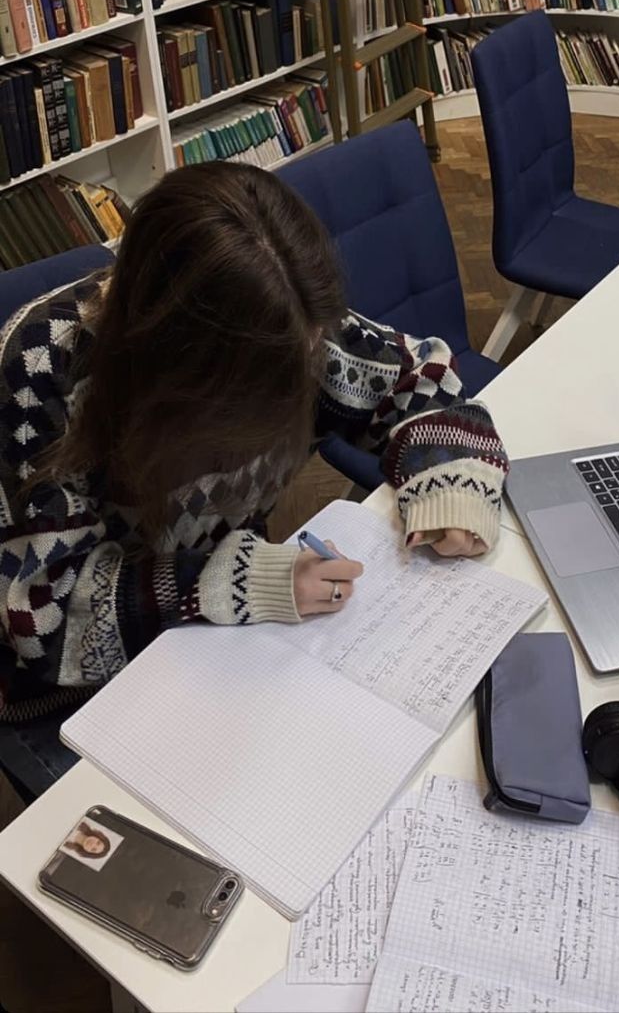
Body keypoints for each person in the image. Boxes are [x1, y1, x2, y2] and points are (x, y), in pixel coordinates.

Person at [0, 162, 508, 798]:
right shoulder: (37, 373)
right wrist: (242, 579)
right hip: (66, 694)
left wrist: (448, 487)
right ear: (184, 375)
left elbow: (418, 382)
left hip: (229, 637)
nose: (309, 373)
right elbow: (44, 621)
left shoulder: (283, 315)